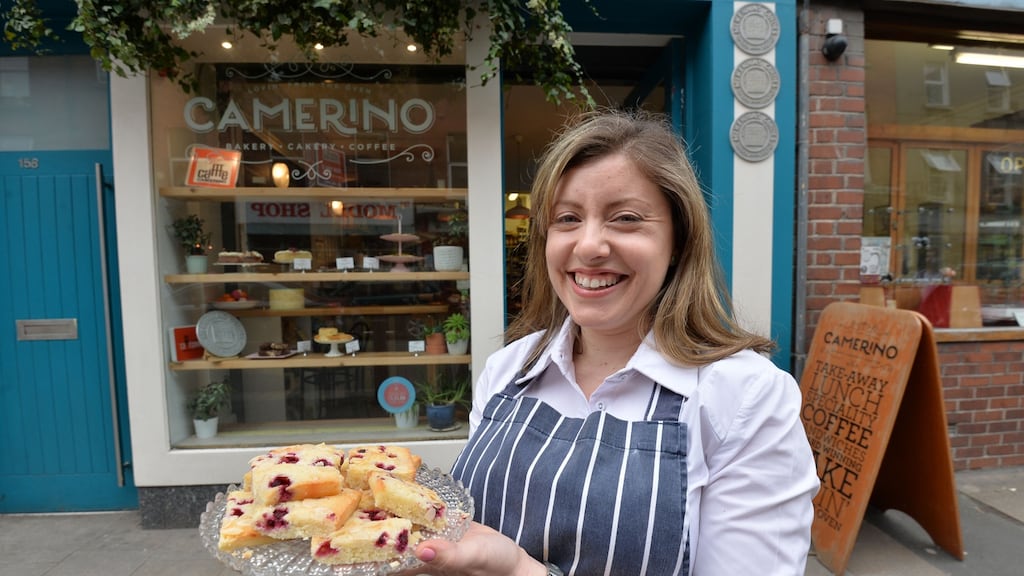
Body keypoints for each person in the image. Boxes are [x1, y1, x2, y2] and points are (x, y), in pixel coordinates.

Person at [410, 109, 819, 575]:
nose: (588, 246)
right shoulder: (509, 370)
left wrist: (522, 571)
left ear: (679, 242)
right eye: (567, 218)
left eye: (625, 218)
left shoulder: (745, 398)